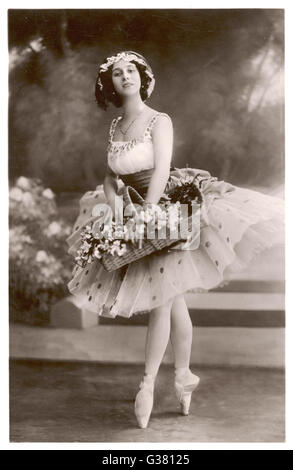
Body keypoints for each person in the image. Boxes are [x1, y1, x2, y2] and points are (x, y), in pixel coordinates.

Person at [66, 51, 284, 429]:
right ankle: (183, 376)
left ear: (142, 76)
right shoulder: (116, 125)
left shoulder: (159, 121)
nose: (125, 77)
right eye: (117, 74)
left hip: (169, 207)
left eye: (130, 71)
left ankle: (147, 384)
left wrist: (148, 214)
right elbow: (108, 177)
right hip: (133, 210)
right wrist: (118, 209)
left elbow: (164, 168)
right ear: (110, 84)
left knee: (162, 301)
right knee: (172, 297)